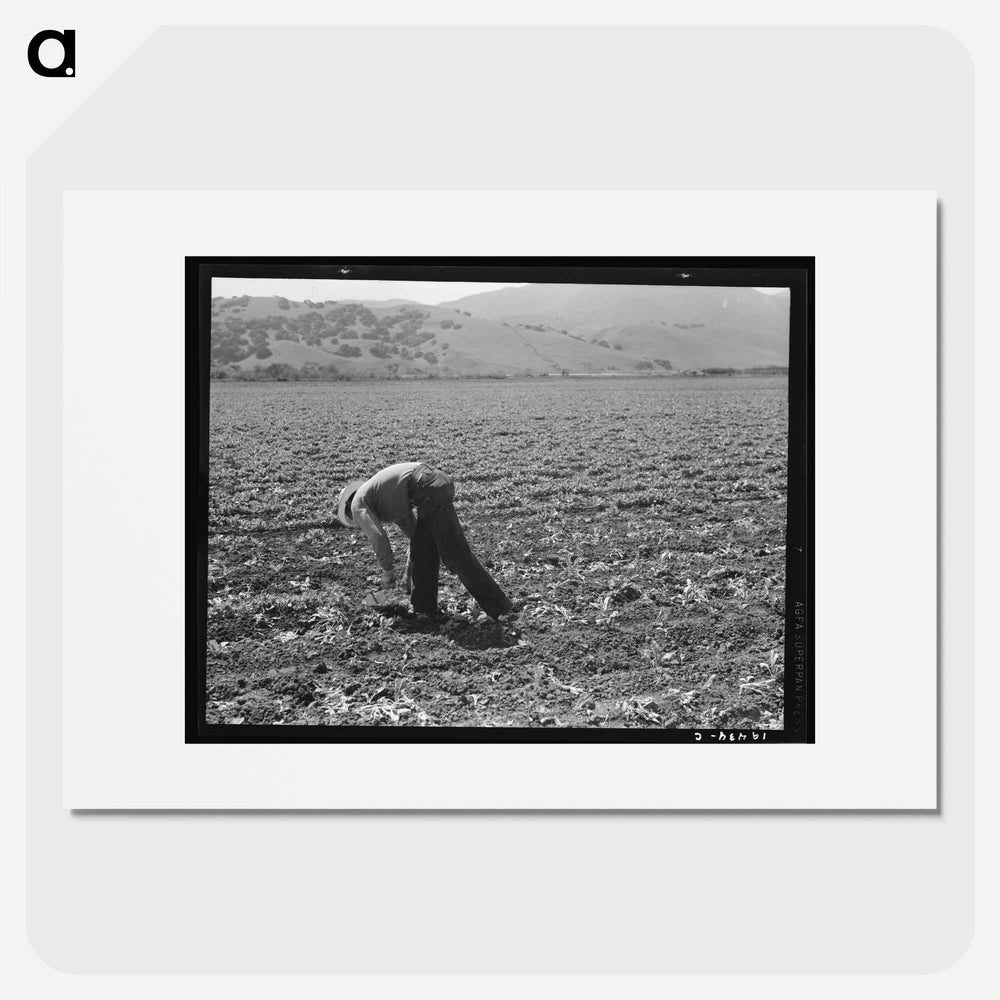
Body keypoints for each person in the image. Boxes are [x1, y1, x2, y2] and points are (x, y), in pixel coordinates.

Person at [337, 462, 514, 620]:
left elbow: (376, 535)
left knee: (455, 555)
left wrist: (387, 571)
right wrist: (409, 571)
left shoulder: (357, 504)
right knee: (424, 551)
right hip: (432, 483)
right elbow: (414, 535)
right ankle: (424, 609)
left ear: (348, 508)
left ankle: (500, 607)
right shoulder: (382, 497)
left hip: (428, 488)